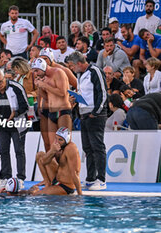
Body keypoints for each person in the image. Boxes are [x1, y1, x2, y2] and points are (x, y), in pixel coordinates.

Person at [66, 51, 108, 191]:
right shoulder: (80, 75)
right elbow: (86, 94)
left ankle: (101, 179)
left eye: (72, 66)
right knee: (88, 148)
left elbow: (102, 92)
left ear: (79, 63)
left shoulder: (95, 71)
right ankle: (90, 178)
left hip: (95, 114)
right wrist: (75, 98)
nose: (71, 68)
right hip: (84, 113)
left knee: (98, 147)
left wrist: (96, 112)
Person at [0, 69, 29, 190]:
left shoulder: (16, 87)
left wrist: (16, 113)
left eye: (0, 82)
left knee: (19, 151)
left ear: (5, 78)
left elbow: (25, 106)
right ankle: (6, 177)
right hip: (2, 125)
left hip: (17, 124)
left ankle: (21, 178)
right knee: (3, 151)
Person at [29, 127, 82, 195]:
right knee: (40, 155)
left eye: (60, 140)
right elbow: (43, 162)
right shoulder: (56, 144)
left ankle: (50, 188)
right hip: (56, 179)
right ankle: (47, 183)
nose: (57, 142)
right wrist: (52, 151)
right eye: (56, 138)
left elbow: (75, 173)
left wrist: (80, 195)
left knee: (34, 195)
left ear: (67, 140)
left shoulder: (71, 149)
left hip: (65, 186)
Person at [32, 58, 72, 146]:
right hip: (51, 112)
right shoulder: (44, 77)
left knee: (64, 144)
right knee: (53, 146)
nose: (36, 73)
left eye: (37, 71)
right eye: (34, 71)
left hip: (62, 111)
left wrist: (44, 85)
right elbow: (46, 97)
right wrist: (39, 87)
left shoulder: (58, 73)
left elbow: (62, 93)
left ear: (43, 67)